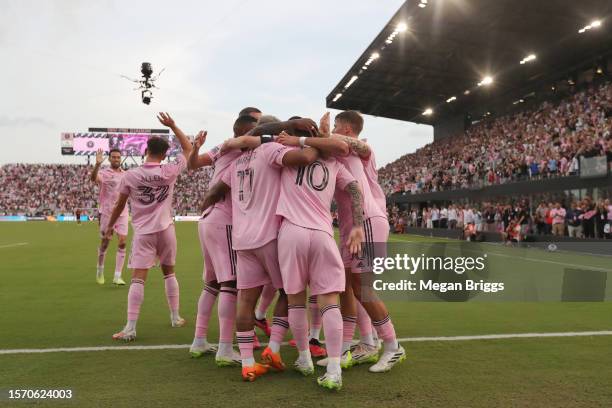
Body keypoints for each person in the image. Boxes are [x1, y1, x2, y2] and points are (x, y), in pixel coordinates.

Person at [200, 117, 322, 382]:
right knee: (291, 293)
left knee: (245, 300)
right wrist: (314, 143)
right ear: (275, 135)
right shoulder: (270, 151)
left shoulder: (237, 162)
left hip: (243, 240)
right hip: (270, 236)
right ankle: (274, 348)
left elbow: (218, 189)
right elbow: (304, 159)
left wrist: (206, 204)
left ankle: (247, 363)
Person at [273, 130, 364, 390]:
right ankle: (334, 369)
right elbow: (355, 190)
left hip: (291, 232)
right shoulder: (335, 163)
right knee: (330, 303)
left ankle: (304, 359)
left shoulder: (286, 154)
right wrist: (357, 225)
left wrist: (294, 140)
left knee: (295, 300)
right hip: (323, 234)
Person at [105, 112, 192, 341]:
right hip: (166, 229)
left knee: (137, 278)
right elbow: (188, 149)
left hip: (143, 232)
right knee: (169, 272)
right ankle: (175, 317)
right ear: (164, 155)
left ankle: (130, 328)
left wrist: (109, 227)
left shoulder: (131, 175)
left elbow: (119, 205)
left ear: (145, 151)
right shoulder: (169, 171)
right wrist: (173, 124)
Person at [186, 115, 259, 364]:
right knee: (231, 283)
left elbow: (193, 164)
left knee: (212, 283)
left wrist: (195, 148)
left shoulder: (224, 147)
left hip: (209, 219)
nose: (259, 132)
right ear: (243, 130)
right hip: (224, 220)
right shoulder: (238, 145)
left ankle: (199, 341)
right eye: (256, 126)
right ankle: (226, 349)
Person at [91, 148, 128, 285]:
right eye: (113, 157)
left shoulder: (126, 175)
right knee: (105, 242)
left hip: (123, 213)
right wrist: (97, 164)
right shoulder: (104, 173)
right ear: (109, 158)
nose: (116, 159)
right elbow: (93, 178)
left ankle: (117, 276)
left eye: (118, 157)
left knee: (123, 241)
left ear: (121, 158)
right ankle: (100, 270)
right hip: (107, 212)